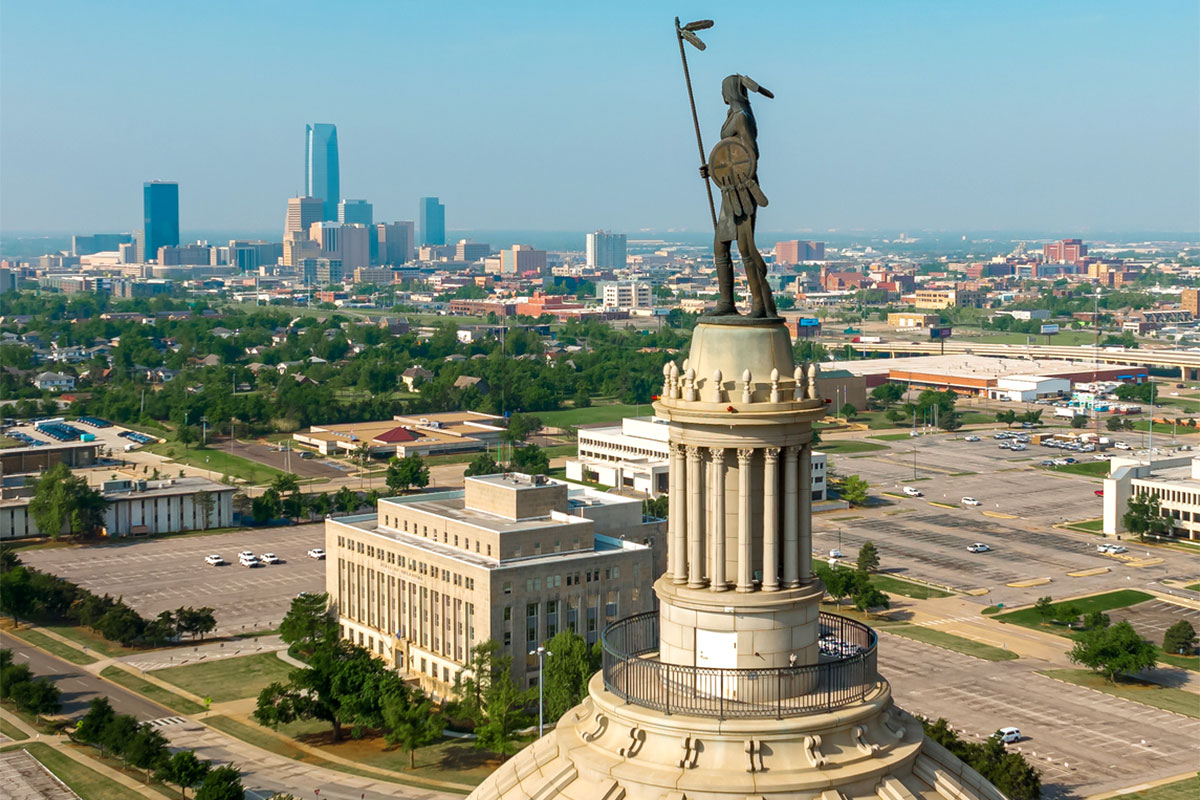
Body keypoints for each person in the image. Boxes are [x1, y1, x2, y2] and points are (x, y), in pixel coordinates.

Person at [700, 74, 777, 318]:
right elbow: (728, 155)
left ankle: (759, 305)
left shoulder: (742, 118)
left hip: (743, 189)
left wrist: (732, 170)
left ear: (730, 91)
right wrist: (712, 168)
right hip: (728, 189)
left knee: (745, 247)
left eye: (723, 89)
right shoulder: (732, 116)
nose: (722, 94)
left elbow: (749, 154)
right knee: (720, 246)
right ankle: (726, 302)